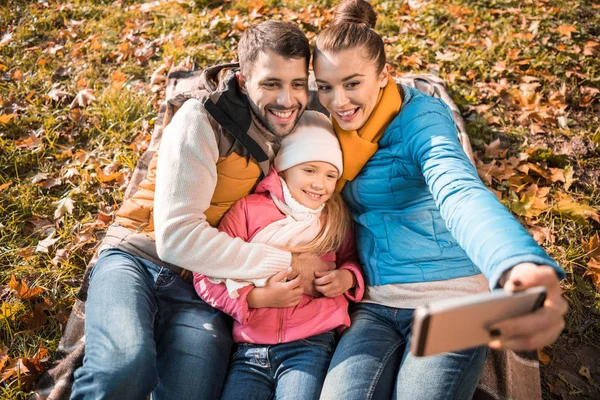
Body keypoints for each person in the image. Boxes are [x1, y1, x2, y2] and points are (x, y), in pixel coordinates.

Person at [312, 1, 569, 399]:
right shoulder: (325, 128)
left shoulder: (422, 119)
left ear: (383, 76)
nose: (339, 101)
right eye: (325, 87)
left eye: (352, 83)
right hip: (376, 302)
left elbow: (459, 190)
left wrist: (515, 261)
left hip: (453, 297)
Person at [70, 21, 331, 399]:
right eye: (271, 84)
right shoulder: (201, 119)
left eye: (296, 84)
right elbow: (176, 240)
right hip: (137, 259)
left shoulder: (298, 124)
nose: (287, 99)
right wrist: (285, 263)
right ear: (243, 81)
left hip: (204, 287)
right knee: (125, 368)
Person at [194, 111, 364, 400]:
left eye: (330, 175)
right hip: (249, 349)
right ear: (284, 168)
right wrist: (255, 298)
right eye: (309, 170)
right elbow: (206, 272)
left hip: (312, 344)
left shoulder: (334, 217)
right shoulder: (248, 210)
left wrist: (347, 277)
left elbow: (353, 258)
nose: (319, 184)